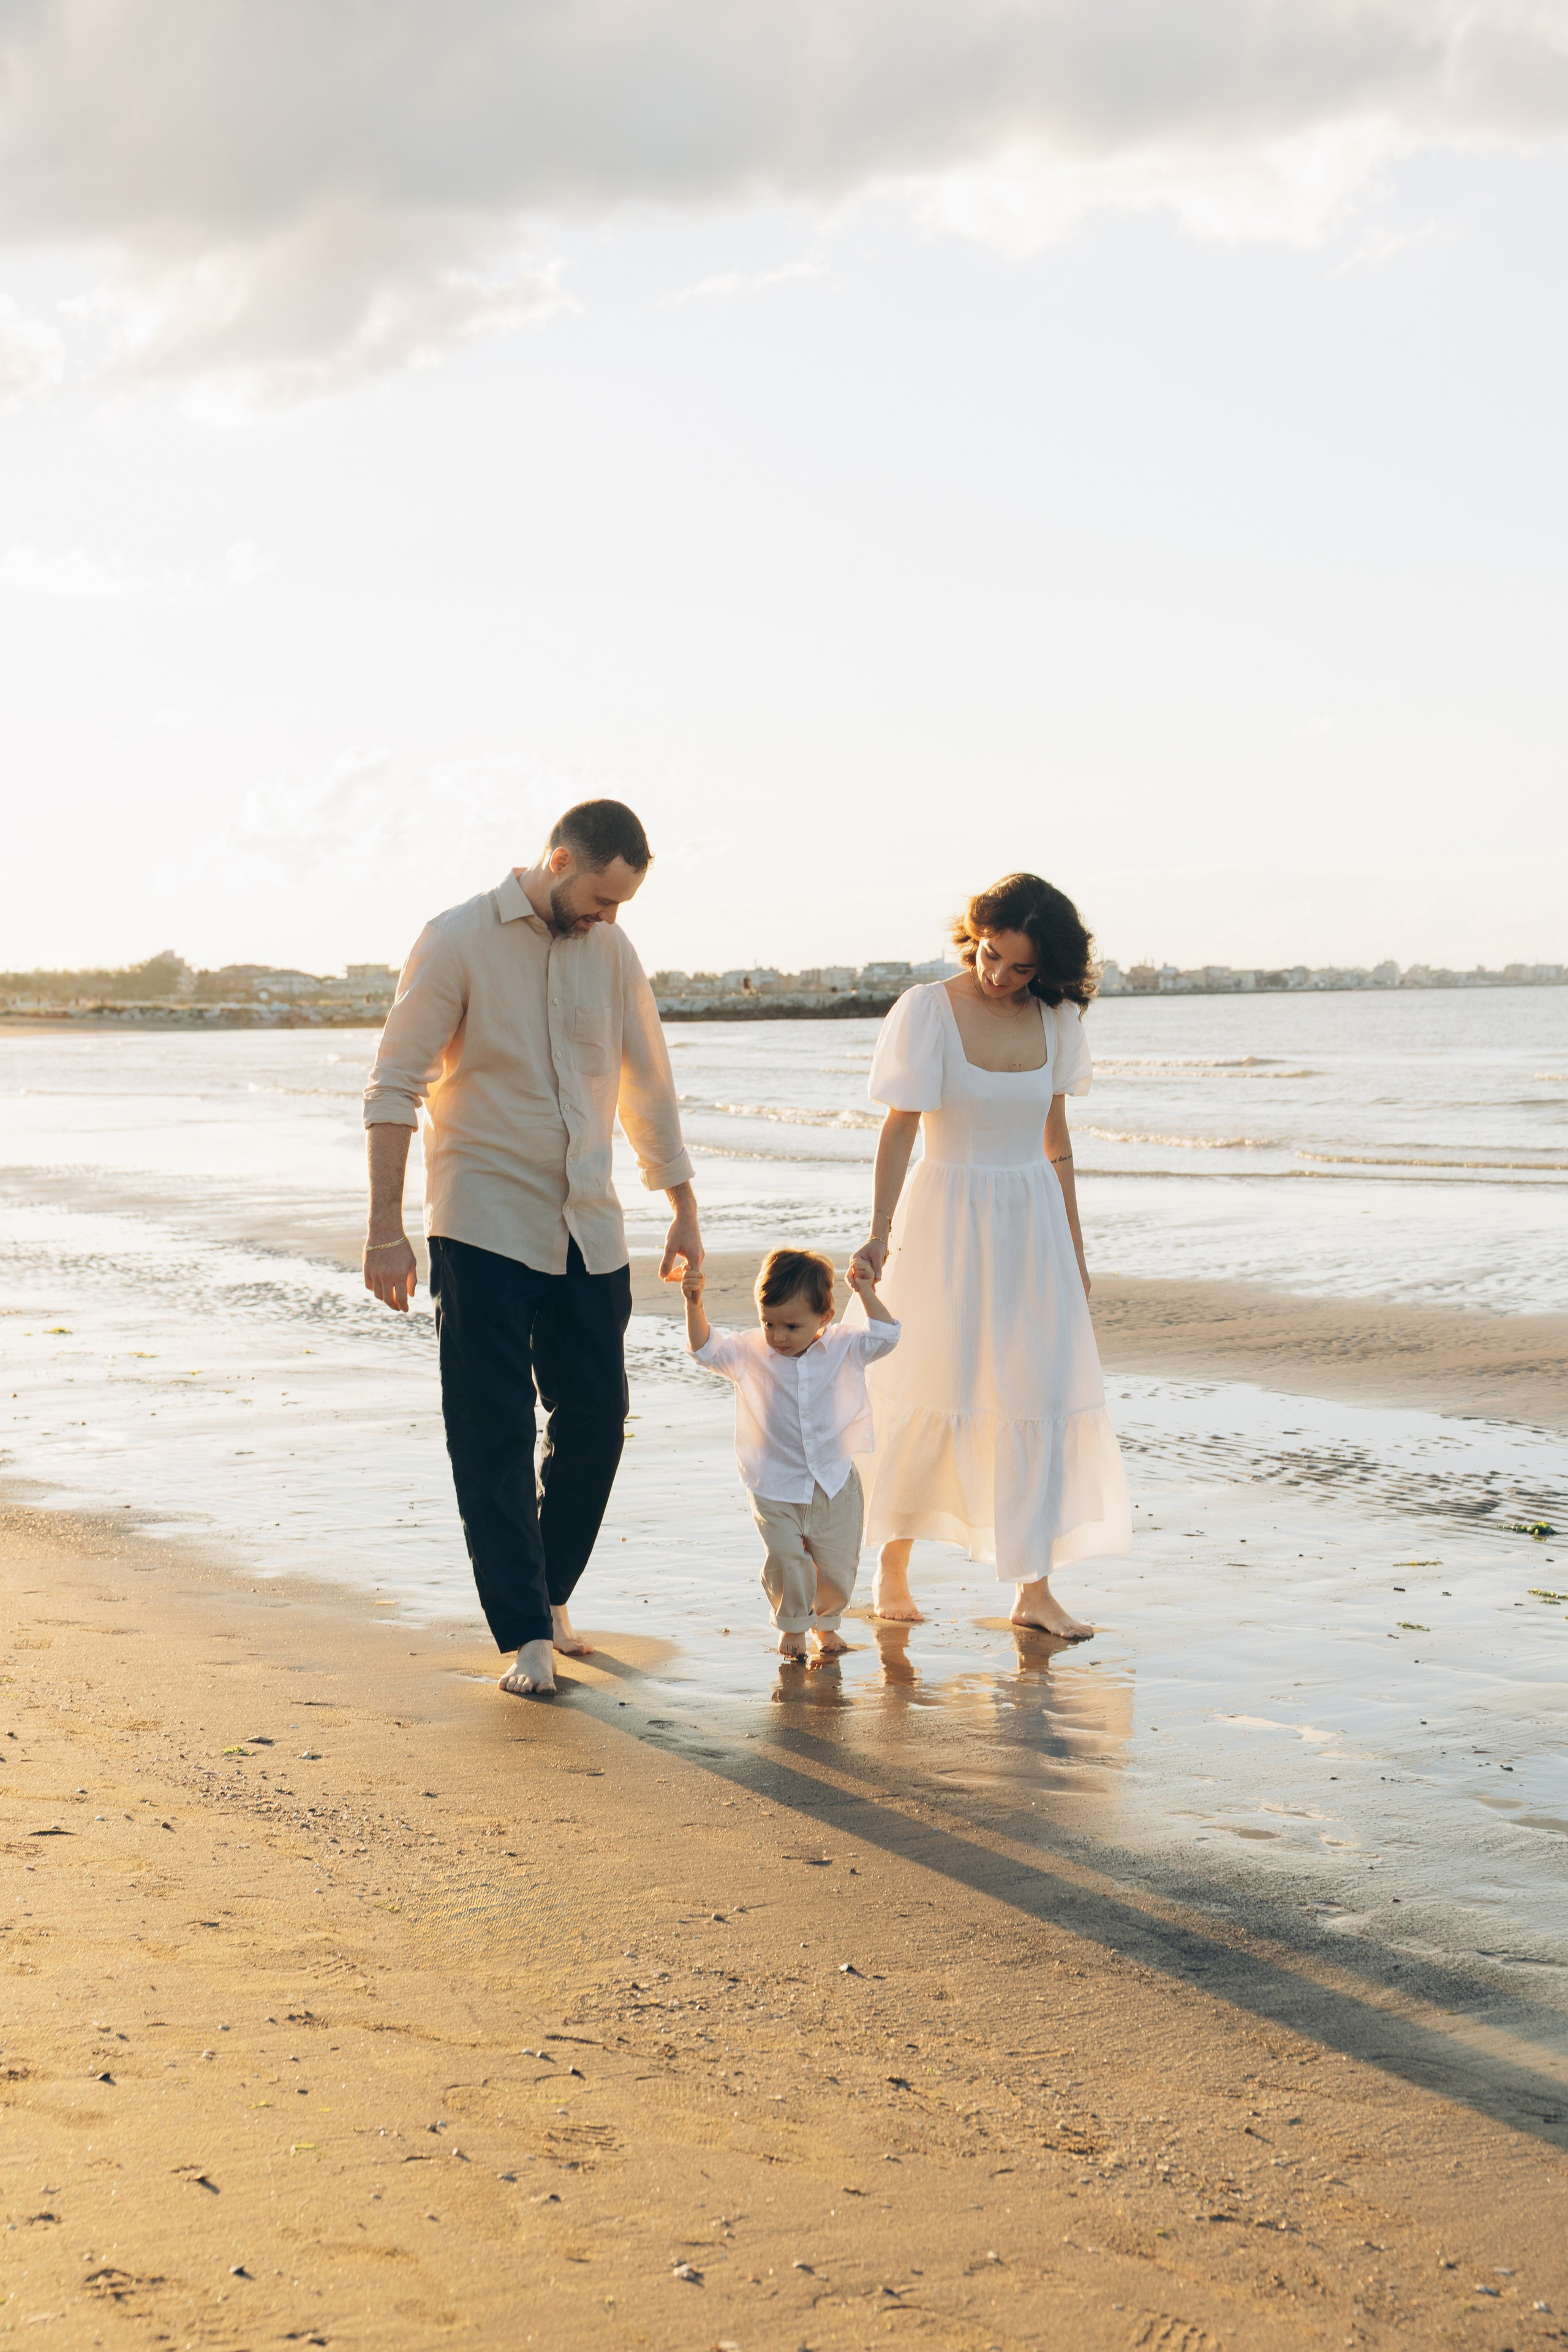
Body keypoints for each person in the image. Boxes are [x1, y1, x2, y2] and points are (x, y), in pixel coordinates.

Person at [361, 799, 703, 1697]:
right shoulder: (458, 939)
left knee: (596, 1419)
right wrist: (385, 1228)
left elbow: (648, 1084)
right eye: (599, 896)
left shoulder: (614, 953)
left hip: (589, 1223)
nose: (608, 916)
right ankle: (526, 1635)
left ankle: (547, 1592)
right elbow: (394, 1085)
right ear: (558, 861)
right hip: (483, 1221)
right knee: (494, 1432)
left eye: (623, 903)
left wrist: (683, 1206)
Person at [846, 872, 1131, 1635]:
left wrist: (1073, 1247)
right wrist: (878, 1231)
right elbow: (900, 1126)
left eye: (1021, 967)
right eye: (989, 954)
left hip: (1030, 1217)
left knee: (1033, 1389)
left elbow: (1057, 1142)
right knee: (923, 1376)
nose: (999, 975)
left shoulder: (1059, 1019)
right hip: (942, 1214)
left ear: (1052, 968)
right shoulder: (927, 1010)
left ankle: (1033, 1591)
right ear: (973, 935)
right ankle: (892, 1561)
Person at [684, 1246, 899, 1659]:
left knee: (837, 1564)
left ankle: (827, 1623)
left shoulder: (845, 1348)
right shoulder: (749, 1352)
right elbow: (705, 1350)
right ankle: (793, 1626)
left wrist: (867, 1291)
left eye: (791, 1326)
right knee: (786, 1558)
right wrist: (695, 1305)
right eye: (769, 1323)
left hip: (834, 1482)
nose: (778, 1336)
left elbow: (887, 1336)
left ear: (824, 1319)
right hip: (773, 1482)